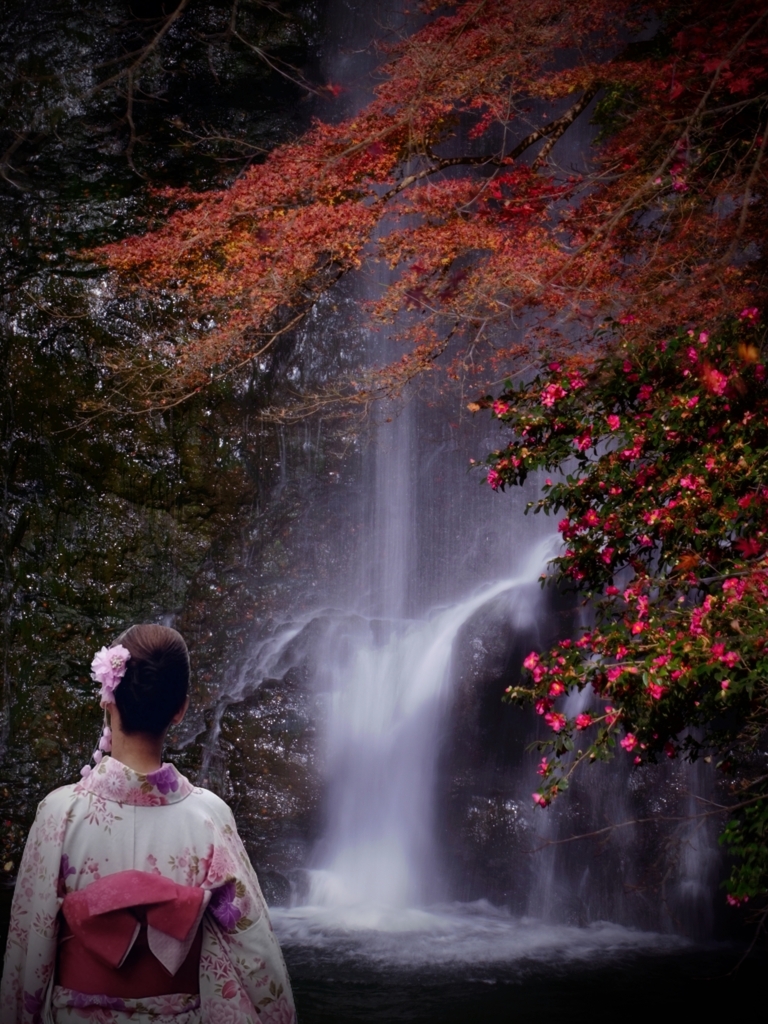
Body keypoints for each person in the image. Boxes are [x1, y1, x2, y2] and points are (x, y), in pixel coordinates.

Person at [1, 623, 296, 1024]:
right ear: (181, 708)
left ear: (108, 698)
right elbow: (253, 949)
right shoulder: (210, 817)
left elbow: (29, 948)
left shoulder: (58, 814)